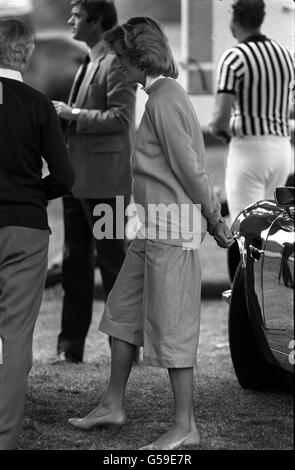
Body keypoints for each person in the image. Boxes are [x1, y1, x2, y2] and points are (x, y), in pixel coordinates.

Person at [67, 17, 234, 451]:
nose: (117, 67)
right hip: (150, 229)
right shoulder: (158, 96)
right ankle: (112, 404)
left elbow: (192, 169)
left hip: (172, 233)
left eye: (121, 58)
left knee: (173, 329)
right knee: (121, 314)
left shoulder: (165, 100)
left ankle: (185, 426)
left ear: (140, 57)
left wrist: (215, 220)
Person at [0, 19, 74, 450]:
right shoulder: (38, 103)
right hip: (25, 230)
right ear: (26, 54)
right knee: (14, 337)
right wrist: (34, 195)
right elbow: (64, 175)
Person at [52, 0, 136, 364]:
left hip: (107, 184)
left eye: (75, 14)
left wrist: (73, 114)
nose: (69, 19)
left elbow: (121, 118)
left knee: (114, 267)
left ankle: (125, 350)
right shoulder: (88, 60)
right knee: (74, 265)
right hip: (76, 181)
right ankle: (70, 349)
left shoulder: (116, 61)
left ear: (96, 20)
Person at [209, 0, 294, 222]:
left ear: (234, 20)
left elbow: (220, 118)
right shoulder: (286, 55)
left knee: (244, 229)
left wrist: (221, 131)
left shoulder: (234, 57)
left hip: (249, 150)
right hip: (282, 150)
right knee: (269, 229)